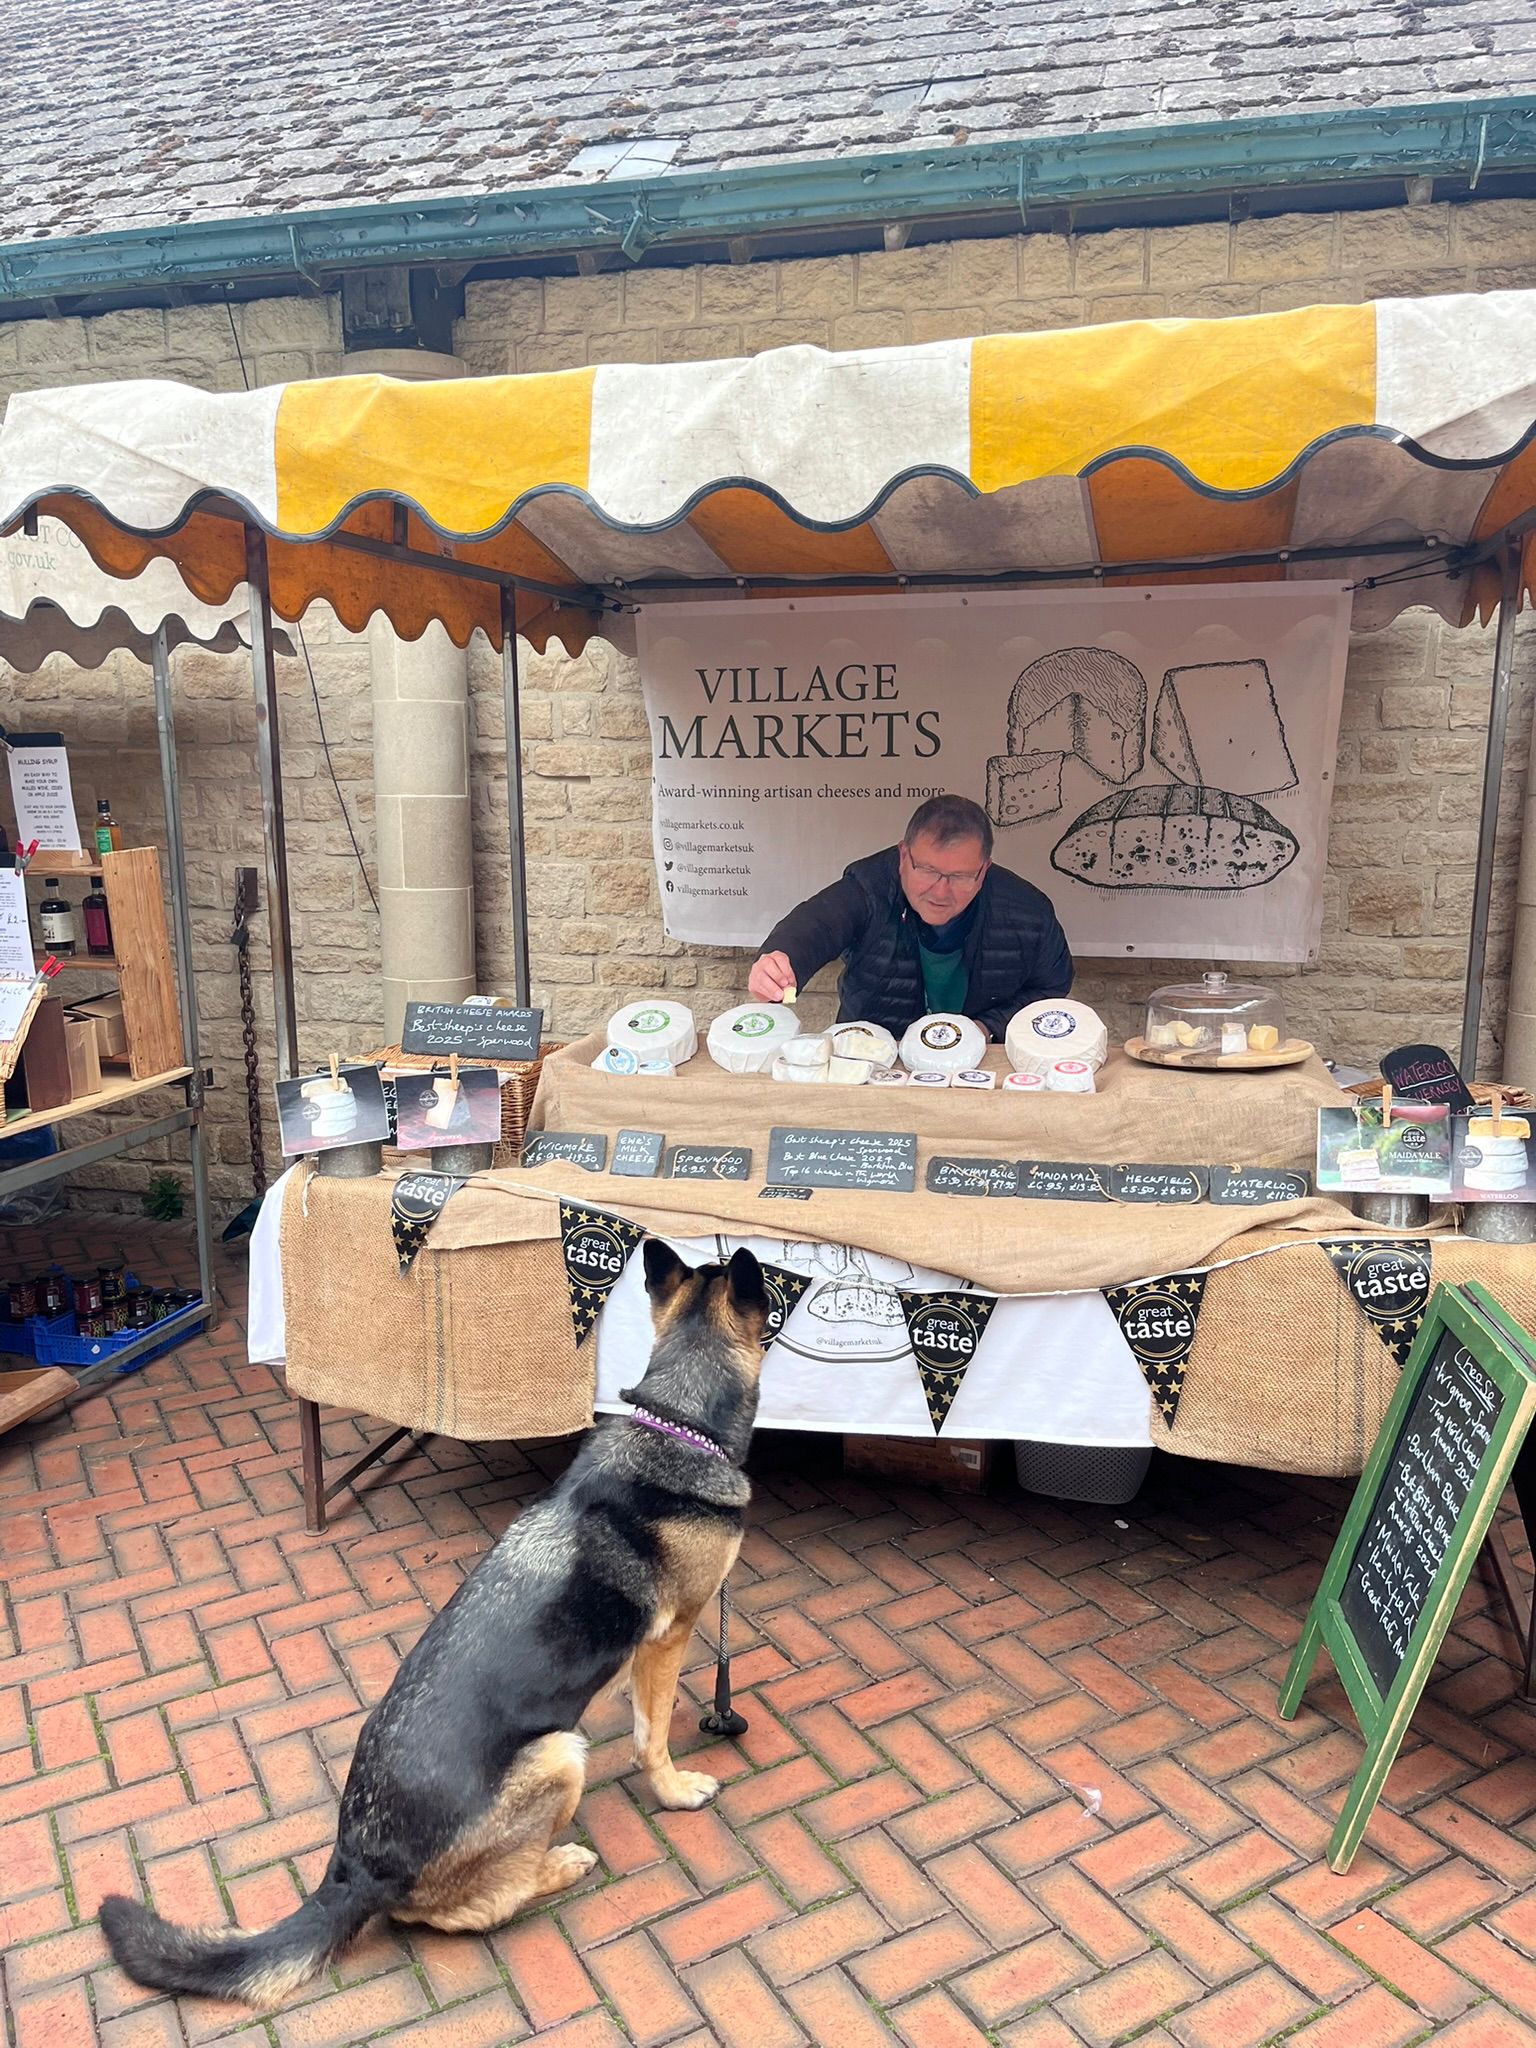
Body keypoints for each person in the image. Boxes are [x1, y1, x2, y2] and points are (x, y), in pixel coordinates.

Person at [748, 794, 1073, 1041]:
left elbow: (1051, 986)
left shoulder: (1028, 912)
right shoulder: (868, 886)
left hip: (979, 1064)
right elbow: (817, 924)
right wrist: (778, 960)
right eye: (928, 870)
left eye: (960, 877)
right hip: (876, 1053)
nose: (940, 892)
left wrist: (988, 1027)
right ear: (903, 856)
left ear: (984, 869)